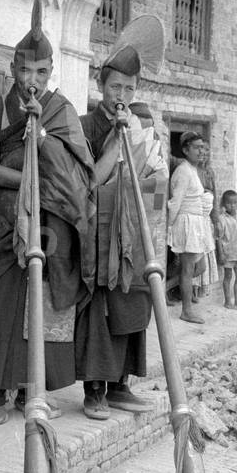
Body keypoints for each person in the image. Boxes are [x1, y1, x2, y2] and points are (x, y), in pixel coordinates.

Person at [0, 0, 94, 431]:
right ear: (12, 68)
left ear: (50, 72)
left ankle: (33, 389)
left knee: (41, 302)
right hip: (3, 220)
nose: (31, 80)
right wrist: (32, 179)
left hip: (48, 222)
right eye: (23, 70)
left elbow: (78, 171)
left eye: (40, 72)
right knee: (1, 302)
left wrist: (46, 138)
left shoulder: (60, 110)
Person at [76, 45, 167, 419]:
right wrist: (116, 138)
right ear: (100, 86)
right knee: (100, 307)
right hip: (99, 232)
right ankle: (95, 388)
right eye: (115, 88)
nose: (122, 97)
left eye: (129, 90)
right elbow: (91, 179)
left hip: (132, 226)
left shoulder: (142, 125)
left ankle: (121, 384)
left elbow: (158, 187)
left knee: (132, 299)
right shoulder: (84, 126)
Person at [167, 132, 209, 324]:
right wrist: (168, 226)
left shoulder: (193, 169)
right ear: (185, 150)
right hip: (186, 223)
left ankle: (162, 288)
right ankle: (186, 310)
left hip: (197, 222)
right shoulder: (183, 171)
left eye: (203, 147)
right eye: (197, 147)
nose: (201, 151)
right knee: (188, 268)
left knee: (200, 267)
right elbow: (175, 202)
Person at [191, 143, 218, 302]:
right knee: (192, 256)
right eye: (201, 151)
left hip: (205, 220)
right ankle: (187, 289)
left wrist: (216, 219)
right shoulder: (190, 170)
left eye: (207, 151)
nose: (204, 154)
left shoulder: (209, 172)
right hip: (193, 217)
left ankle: (198, 289)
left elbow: (215, 193)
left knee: (204, 255)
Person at [216, 189, 237, 311]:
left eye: (235, 202)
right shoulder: (222, 219)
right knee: (228, 277)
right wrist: (221, 254)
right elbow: (219, 238)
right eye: (230, 203)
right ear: (224, 204)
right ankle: (227, 301)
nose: (233, 205)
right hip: (228, 254)